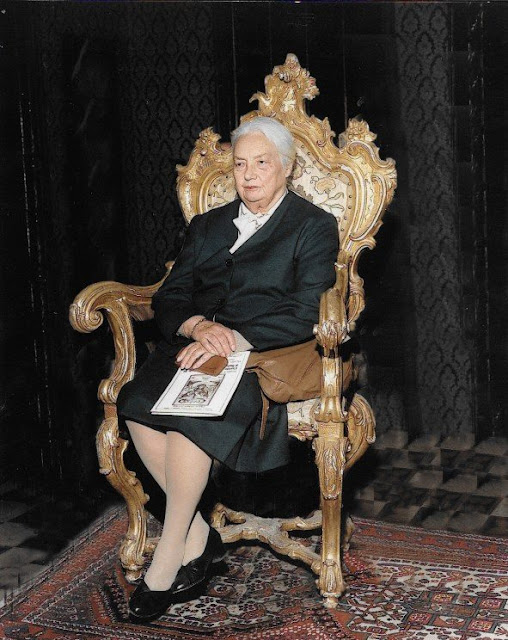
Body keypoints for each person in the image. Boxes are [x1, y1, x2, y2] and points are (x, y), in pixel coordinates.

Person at [117, 116, 339, 621]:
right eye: (240, 164)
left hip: (258, 355)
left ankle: (169, 555)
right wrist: (196, 324)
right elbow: (171, 294)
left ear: (287, 168)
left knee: (190, 420)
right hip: (196, 347)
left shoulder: (312, 225)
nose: (250, 174)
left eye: (262, 163)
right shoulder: (208, 225)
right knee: (136, 404)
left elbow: (307, 308)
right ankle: (199, 533)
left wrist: (236, 337)